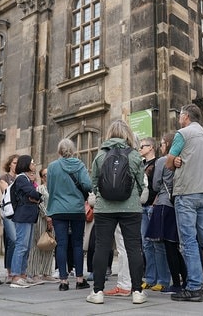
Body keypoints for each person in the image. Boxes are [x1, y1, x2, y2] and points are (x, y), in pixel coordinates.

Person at [165, 104, 203, 302]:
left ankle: (194, 286)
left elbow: (168, 162)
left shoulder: (182, 133)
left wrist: (176, 160)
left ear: (186, 116)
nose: (179, 118)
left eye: (180, 115)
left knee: (188, 240)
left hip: (187, 191)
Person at [86, 120, 146, 305]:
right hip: (131, 208)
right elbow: (141, 183)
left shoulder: (100, 156)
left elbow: (94, 183)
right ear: (127, 134)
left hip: (104, 208)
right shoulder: (135, 155)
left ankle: (97, 292)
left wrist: (100, 197)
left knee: (102, 247)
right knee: (134, 248)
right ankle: (136, 291)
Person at [47, 138, 92, 291]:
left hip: (58, 209)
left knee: (61, 244)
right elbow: (88, 185)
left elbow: (49, 188)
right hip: (76, 209)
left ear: (59, 151)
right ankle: (79, 279)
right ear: (73, 151)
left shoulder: (52, 167)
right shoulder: (79, 165)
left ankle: (63, 281)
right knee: (77, 244)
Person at [149, 132, 187, 294]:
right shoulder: (181, 160)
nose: (161, 147)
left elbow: (156, 185)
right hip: (176, 203)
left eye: (163, 143)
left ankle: (176, 283)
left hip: (163, 204)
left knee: (167, 246)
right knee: (174, 245)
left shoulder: (163, 161)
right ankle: (185, 279)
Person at [139, 137, 169, 291]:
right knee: (146, 244)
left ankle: (163, 279)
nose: (140, 149)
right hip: (142, 206)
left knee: (157, 243)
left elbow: (158, 185)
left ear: (151, 147)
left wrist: (154, 203)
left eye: (142, 146)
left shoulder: (158, 162)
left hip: (153, 205)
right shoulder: (140, 164)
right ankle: (150, 278)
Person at [9, 155, 42, 288]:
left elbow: (33, 196)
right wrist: (37, 197)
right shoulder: (22, 178)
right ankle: (16, 276)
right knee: (21, 246)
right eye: (32, 163)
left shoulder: (26, 178)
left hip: (28, 217)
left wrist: (36, 198)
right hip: (23, 216)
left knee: (27, 247)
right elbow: (31, 193)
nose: (34, 165)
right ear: (26, 164)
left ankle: (23, 274)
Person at [27, 167, 58, 284]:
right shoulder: (39, 188)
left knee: (50, 245)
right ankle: (35, 273)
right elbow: (39, 203)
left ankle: (46, 272)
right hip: (41, 219)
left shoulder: (55, 189)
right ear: (42, 177)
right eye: (45, 175)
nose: (48, 177)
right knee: (38, 245)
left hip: (54, 219)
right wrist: (46, 216)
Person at [0, 154, 19, 284]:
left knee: (21, 242)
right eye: (15, 162)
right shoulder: (4, 178)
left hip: (21, 213)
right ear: (10, 164)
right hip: (9, 213)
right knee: (11, 241)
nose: (16, 165)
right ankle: (9, 271)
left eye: (18, 163)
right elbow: (7, 192)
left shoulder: (23, 177)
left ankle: (19, 270)